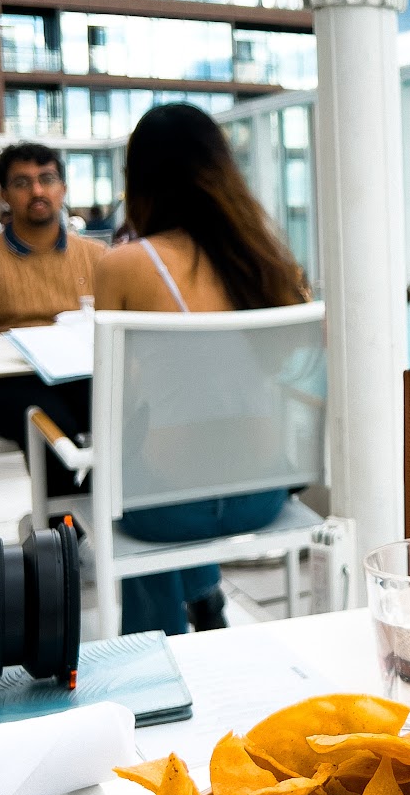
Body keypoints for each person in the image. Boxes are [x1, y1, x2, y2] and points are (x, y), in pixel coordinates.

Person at [94, 103, 307, 636]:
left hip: (169, 508)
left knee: (128, 470)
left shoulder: (123, 263)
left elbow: (117, 402)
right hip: (264, 492)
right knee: (168, 461)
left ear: (139, 178)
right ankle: (205, 598)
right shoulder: (263, 264)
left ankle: (158, 646)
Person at [0, 144, 104, 494]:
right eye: (22, 183)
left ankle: (103, 505)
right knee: (48, 418)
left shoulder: (97, 257)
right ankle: (67, 519)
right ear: (4, 195)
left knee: (131, 407)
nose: (37, 191)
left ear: (63, 188)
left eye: (46, 179)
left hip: (83, 376)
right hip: (12, 386)